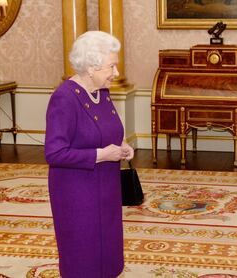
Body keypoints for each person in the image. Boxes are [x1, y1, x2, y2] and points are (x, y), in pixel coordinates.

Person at [45, 31, 134, 277]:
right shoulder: (63, 98)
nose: (116, 73)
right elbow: (54, 153)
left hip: (106, 184)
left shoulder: (101, 92)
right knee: (83, 250)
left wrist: (123, 145)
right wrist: (100, 155)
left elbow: (110, 131)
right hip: (76, 192)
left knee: (108, 247)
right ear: (91, 67)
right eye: (111, 66)